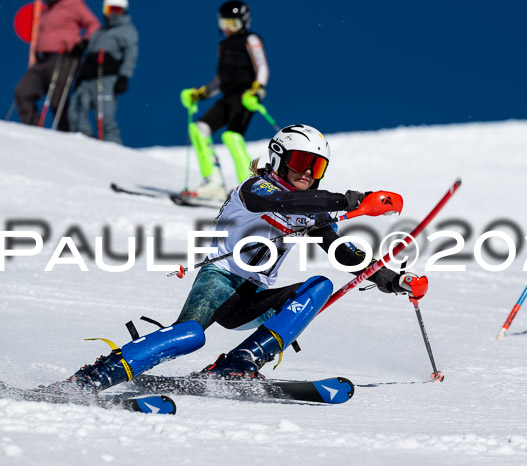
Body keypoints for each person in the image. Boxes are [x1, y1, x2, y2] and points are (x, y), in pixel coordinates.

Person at [46, 124, 422, 395]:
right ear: (278, 159)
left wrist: (395, 280)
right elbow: (281, 203)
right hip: (220, 280)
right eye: (301, 161)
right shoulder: (254, 188)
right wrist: (353, 201)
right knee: (190, 335)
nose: (308, 173)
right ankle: (94, 377)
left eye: (317, 167)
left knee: (319, 286)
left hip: (254, 295)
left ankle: (239, 362)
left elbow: (345, 253)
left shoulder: (311, 209)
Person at [180, 1, 270, 202]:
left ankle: (251, 191)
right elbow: (221, 80)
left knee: (232, 137)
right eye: (224, 23)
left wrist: (257, 90)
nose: (228, 28)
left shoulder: (251, 39)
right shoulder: (223, 46)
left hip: (245, 97)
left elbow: (262, 66)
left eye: (233, 24)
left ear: (244, 22)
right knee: (199, 128)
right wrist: (202, 94)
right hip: (227, 96)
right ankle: (213, 183)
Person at [14, 0, 100, 131]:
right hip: (42, 60)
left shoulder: (73, 4)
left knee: (58, 100)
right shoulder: (46, 10)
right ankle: (34, 130)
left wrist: (84, 43)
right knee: (23, 92)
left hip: (64, 58)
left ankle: (69, 136)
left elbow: (94, 25)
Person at [69, 0, 138, 144]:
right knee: (75, 113)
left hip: (107, 77)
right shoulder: (98, 31)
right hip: (87, 77)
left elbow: (131, 54)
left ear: (123, 11)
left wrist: (124, 76)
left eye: (116, 9)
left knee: (104, 117)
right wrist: (82, 47)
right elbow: (89, 50)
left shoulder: (127, 30)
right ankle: (86, 143)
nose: (112, 13)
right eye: (109, 9)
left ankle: (113, 152)